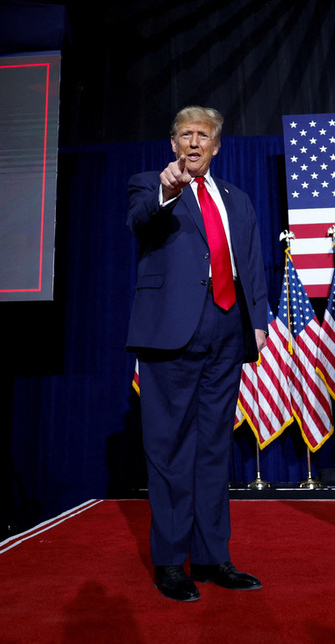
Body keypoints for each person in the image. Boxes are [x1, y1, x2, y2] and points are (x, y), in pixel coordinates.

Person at [127, 106, 269, 601]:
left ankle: (212, 558)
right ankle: (170, 561)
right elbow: (141, 223)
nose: (193, 142)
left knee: (213, 448)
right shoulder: (150, 184)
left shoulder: (238, 198)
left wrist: (259, 323)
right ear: (172, 144)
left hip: (228, 331)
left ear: (216, 145)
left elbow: (251, 263)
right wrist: (168, 193)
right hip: (171, 333)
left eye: (202, 135)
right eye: (184, 134)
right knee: (168, 450)